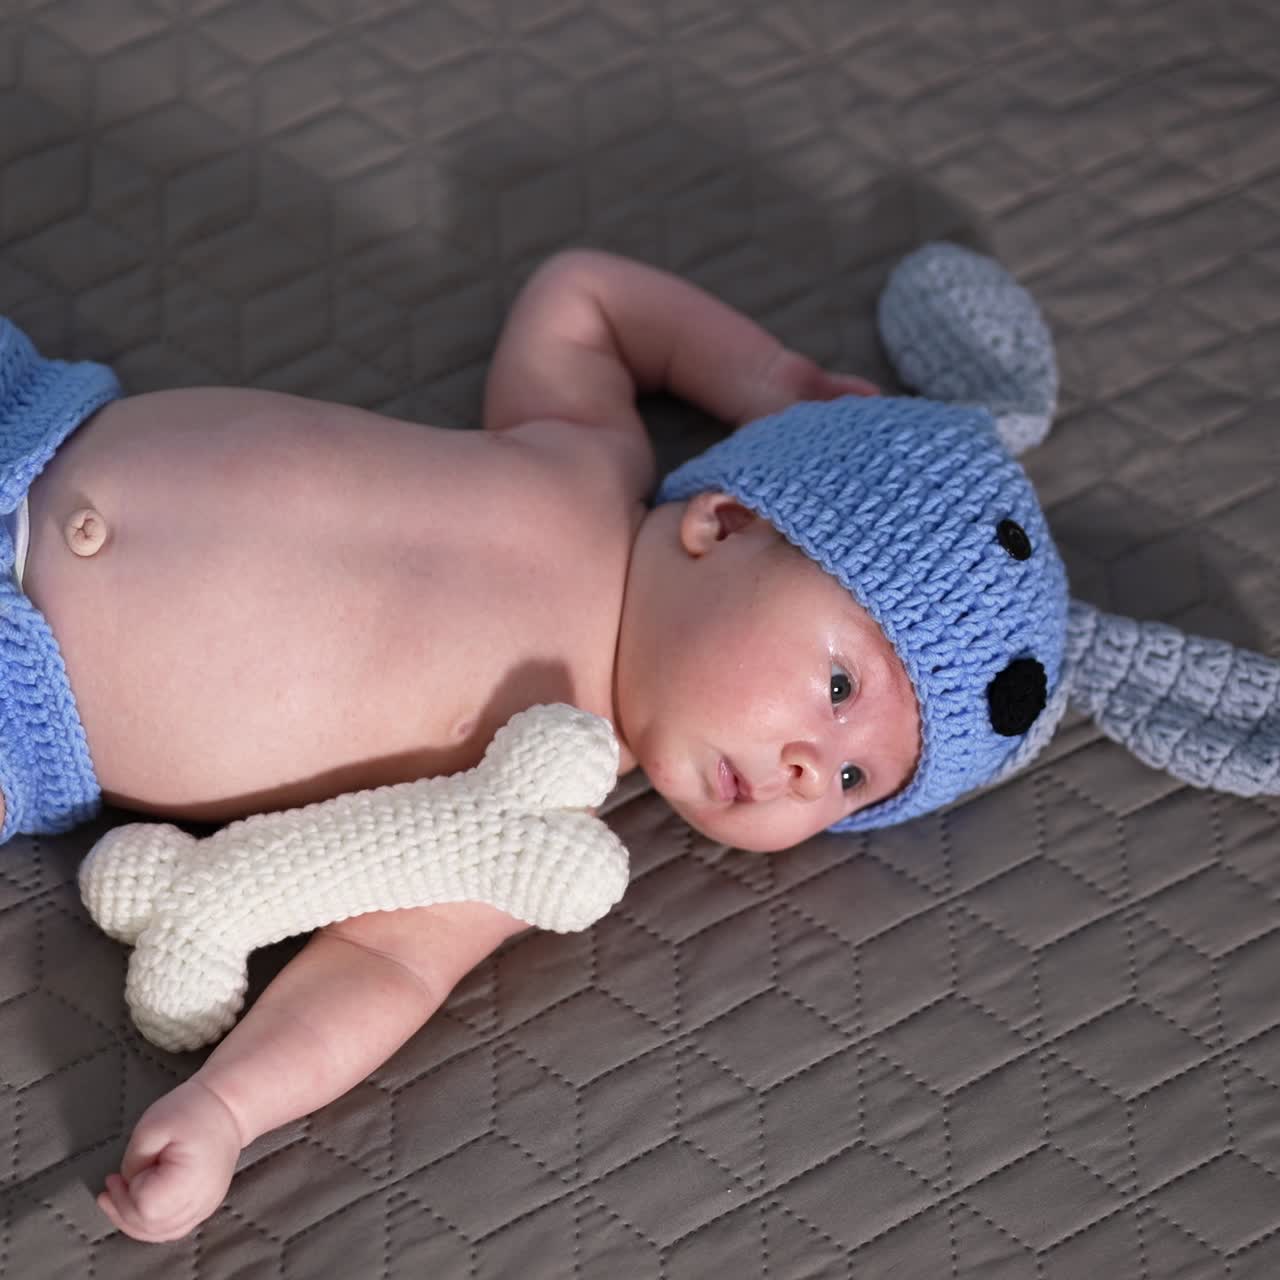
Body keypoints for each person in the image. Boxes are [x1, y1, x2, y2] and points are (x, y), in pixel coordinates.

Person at [0, 246, 1067, 1241]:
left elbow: (381, 964)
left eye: (852, 779)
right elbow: (586, 294)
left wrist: (227, 1110)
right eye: (838, 686)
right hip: (32, 419)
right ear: (728, 524)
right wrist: (769, 377)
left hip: (27, 704)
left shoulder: (534, 814)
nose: (807, 766)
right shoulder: (589, 455)